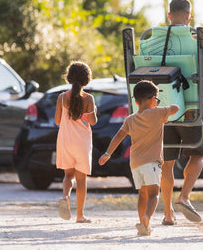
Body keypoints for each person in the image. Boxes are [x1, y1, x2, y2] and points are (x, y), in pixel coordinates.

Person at [161, 0, 203, 225]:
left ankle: (168, 214)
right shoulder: (197, 38)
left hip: (163, 109)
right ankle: (184, 197)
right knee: (197, 154)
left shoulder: (153, 39)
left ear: (169, 15)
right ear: (189, 15)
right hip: (192, 109)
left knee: (166, 162)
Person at [99, 80, 179, 236]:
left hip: (135, 164)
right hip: (152, 163)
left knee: (142, 194)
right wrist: (162, 106)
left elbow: (118, 136)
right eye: (156, 99)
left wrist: (107, 154)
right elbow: (175, 109)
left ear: (136, 101)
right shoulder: (158, 113)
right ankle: (147, 219)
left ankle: (142, 222)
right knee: (154, 194)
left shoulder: (130, 119)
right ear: (152, 99)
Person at [55, 61, 97, 223]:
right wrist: (92, 111)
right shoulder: (89, 99)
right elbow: (93, 122)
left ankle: (65, 197)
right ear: (87, 79)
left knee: (68, 175)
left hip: (65, 140)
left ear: (69, 78)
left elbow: (57, 121)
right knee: (81, 179)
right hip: (82, 143)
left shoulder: (61, 97)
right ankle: (80, 215)